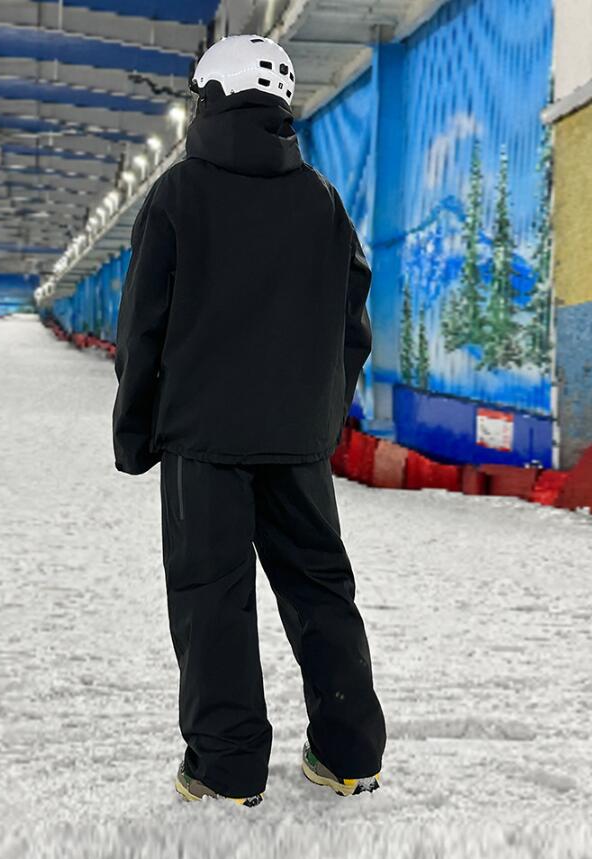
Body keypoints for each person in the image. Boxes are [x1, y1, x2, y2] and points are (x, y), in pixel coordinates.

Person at [112, 34, 386, 808]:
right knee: (321, 588)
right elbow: (351, 324)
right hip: (297, 441)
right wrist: (320, 413)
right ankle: (349, 753)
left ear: (213, 97)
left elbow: (143, 326)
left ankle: (225, 768)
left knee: (212, 596)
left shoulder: (178, 194)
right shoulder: (322, 200)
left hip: (204, 440)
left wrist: (135, 432)